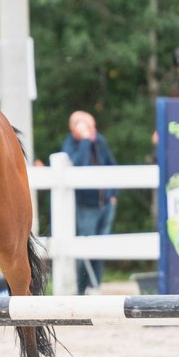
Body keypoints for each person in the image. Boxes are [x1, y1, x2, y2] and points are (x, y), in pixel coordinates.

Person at [61, 110, 118, 295]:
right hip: (86, 205)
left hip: (105, 203)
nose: (93, 130)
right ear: (76, 128)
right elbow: (77, 166)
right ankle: (81, 289)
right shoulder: (71, 145)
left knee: (100, 249)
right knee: (84, 250)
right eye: (89, 126)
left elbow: (111, 164)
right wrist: (85, 142)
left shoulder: (99, 141)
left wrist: (112, 194)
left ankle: (95, 286)